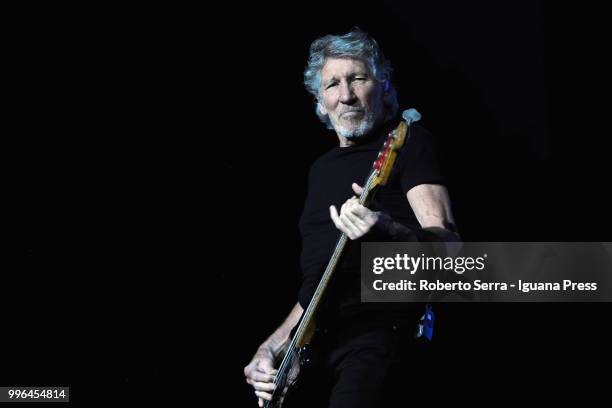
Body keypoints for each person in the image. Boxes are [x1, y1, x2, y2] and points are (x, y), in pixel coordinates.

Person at [244, 29, 459, 407]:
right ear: (320, 101)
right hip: (315, 348)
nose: (345, 95)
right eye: (332, 84)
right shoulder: (319, 170)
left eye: (358, 78)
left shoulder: (408, 143)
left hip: (377, 333)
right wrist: (273, 346)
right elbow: (318, 283)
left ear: (384, 86)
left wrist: (387, 229)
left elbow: (451, 251)